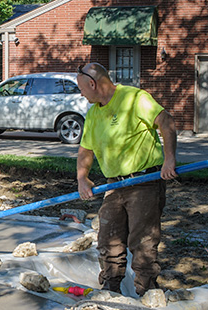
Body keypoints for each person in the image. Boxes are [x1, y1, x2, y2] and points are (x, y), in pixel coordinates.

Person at [75, 63, 178, 297]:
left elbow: (166, 121)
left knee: (142, 242)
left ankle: (147, 293)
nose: (81, 94)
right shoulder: (94, 113)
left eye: (82, 89)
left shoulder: (134, 98)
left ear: (93, 83)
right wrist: (82, 178)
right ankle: (111, 291)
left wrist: (169, 159)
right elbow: (85, 149)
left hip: (144, 182)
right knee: (108, 239)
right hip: (114, 184)